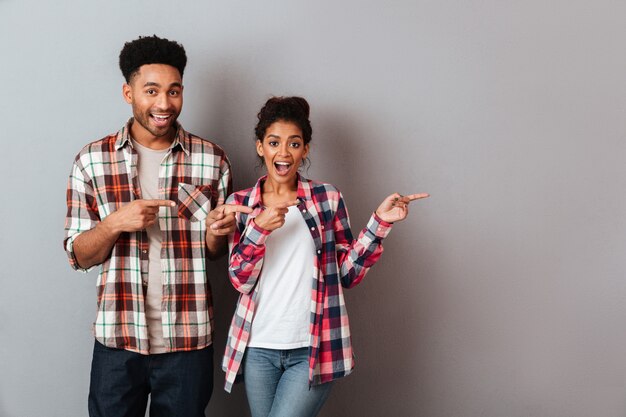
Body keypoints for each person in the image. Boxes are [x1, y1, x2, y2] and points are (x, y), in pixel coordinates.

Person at [63, 35, 251, 417]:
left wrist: (217, 234)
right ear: (128, 92)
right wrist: (116, 222)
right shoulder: (92, 161)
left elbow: (218, 255)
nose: (164, 104)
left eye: (174, 91)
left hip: (187, 341)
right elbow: (78, 255)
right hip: (118, 340)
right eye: (151, 91)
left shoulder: (212, 160)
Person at [222, 96, 429, 417]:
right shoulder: (243, 203)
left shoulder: (327, 198)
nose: (283, 152)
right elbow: (240, 280)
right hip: (258, 347)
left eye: (294, 143)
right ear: (260, 147)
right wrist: (258, 229)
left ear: (305, 150)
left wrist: (380, 223)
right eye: (274, 142)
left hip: (313, 347)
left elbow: (347, 273)